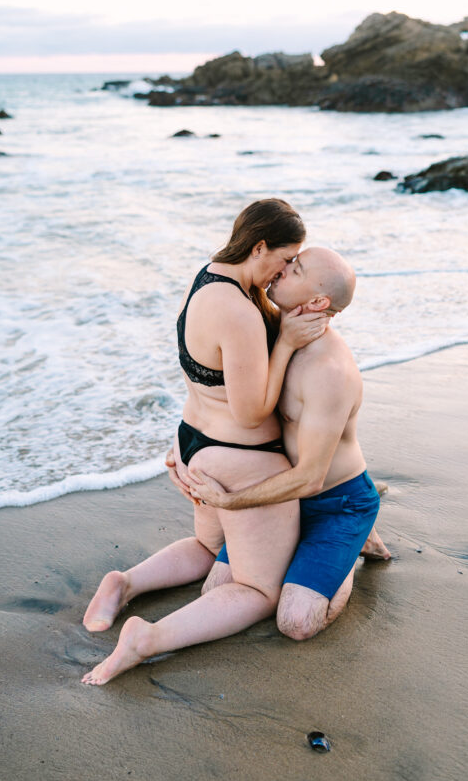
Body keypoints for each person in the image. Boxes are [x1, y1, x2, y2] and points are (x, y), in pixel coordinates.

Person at [81, 199, 328, 686]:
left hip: (195, 440)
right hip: (242, 456)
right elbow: (250, 410)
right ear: (260, 246)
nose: (285, 272)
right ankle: (147, 638)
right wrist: (287, 345)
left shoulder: (206, 279)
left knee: (207, 544)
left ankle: (125, 582)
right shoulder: (237, 310)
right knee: (258, 590)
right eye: (286, 258)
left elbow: (206, 376)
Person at [175, 246, 391, 642]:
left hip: (334, 501)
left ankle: (351, 548)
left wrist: (228, 502)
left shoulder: (329, 371)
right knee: (216, 589)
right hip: (281, 496)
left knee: (295, 622)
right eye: (289, 261)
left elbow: (310, 479)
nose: (282, 270)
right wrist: (180, 451)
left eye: (297, 269)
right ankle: (312, 559)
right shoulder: (270, 328)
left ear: (318, 302)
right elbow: (213, 395)